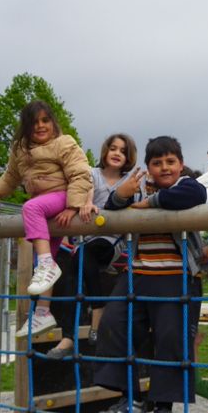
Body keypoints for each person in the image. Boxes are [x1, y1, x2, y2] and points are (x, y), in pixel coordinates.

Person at [95, 136, 207, 413]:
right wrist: (122, 195)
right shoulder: (138, 187)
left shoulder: (185, 184)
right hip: (137, 273)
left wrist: (151, 204)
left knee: (171, 338)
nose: (165, 167)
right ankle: (130, 395)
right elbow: (111, 209)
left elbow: (195, 196)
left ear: (181, 164)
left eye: (171, 161)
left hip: (176, 275)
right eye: (157, 163)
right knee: (113, 324)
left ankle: (163, 404)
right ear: (148, 167)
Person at [0, 100, 92, 338]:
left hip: (60, 196)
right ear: (25, 127)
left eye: (45, 120)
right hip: (43, 206)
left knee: (30, 210)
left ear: (53, 122)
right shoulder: (20, 149)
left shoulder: (63, 143)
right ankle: (42, 312)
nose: (40, 126)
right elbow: (11, 175)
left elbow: (80, 173)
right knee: (41, 265)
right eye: (34, 122)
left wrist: (72, 206)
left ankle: (46, 264)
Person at [47, 133, 138, 359]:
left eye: (123, 151)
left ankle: (94, 312)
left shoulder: (129, 180)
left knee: (83, 257)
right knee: (72, 273)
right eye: (113, 148)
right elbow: (85, 188)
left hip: (111, 242)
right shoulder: (91, 173)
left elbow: (134, 203)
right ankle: (69, 336)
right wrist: (85, 203)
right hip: (86, 240)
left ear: (129, 157)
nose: (117, 153)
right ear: (105, 151)